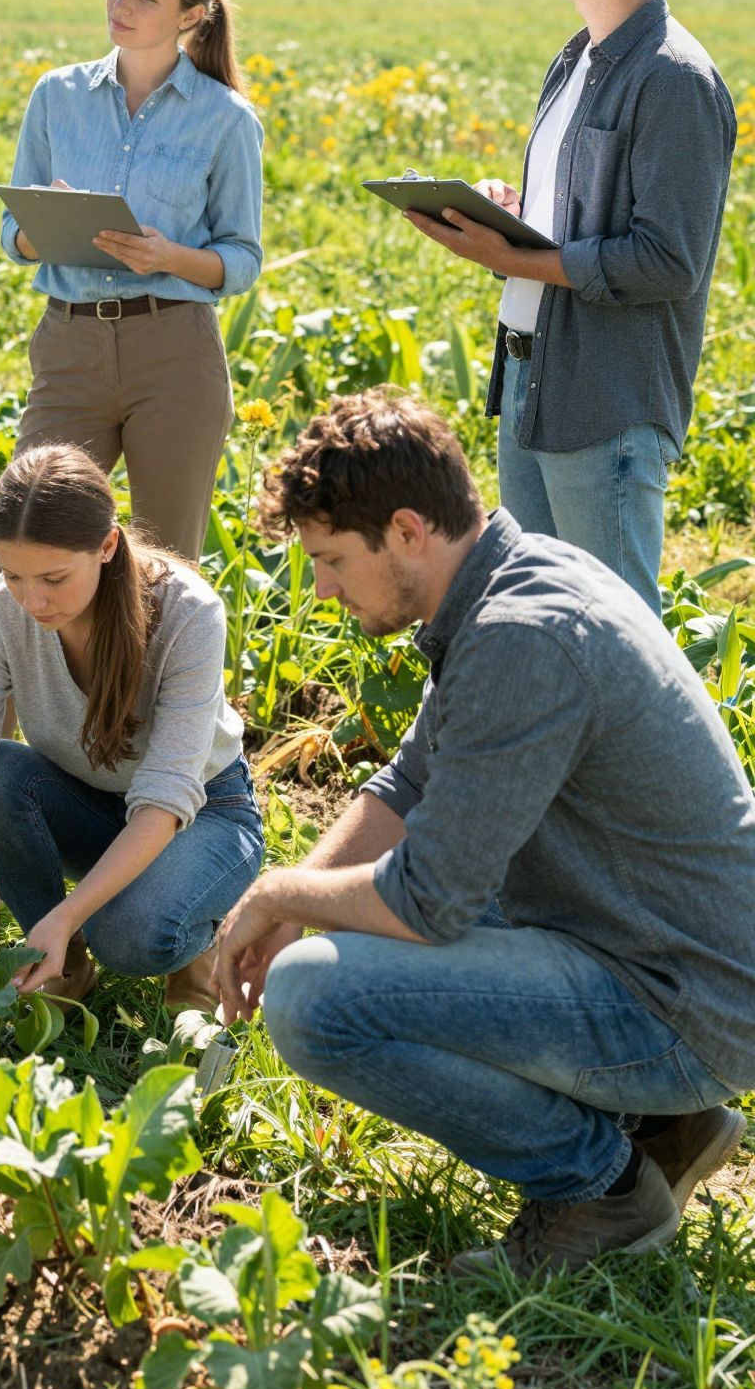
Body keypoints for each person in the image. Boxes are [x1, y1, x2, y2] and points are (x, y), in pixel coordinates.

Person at [214, 391, 753, 1278]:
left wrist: (279, 894)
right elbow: (410, 784)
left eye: (333, 560)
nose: (322, 588)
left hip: (680, 1001)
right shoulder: (509, 580)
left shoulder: (522, 636)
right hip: (661, 951)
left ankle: (601, 1188)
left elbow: (428, 901)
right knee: (354, 920)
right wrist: (299, 896)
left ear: (407, 530)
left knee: (315, 1000)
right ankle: (665, 1127)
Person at [405, 0, 736, 612]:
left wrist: (517, 254)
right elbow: (579, 222)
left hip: (607, 399)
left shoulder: (674, 79)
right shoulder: (575, 61)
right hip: (531, 382)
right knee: (546, 622)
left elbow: (667, 261)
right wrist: (509, 217)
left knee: (616, 634)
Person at [0, 442, 263, 1011]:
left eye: (54, 577)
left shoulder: (188, 613)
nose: (32, 599)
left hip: (202, 812)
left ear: (106, 546)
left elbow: (165, 796)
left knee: (128, 937)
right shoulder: (0, 608)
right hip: (88, 800)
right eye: (14, 575)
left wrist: (75, 907)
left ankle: (201, 938)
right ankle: (61, 959)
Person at [0, 0, 264, 561]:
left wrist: (166, 256)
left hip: (173, 352)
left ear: (190, 16)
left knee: (168, 565)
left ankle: (158, 666)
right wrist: (42, 230)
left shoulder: (226, 119)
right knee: (27, 539)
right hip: (69, 347)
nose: (122, 3)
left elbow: (242, 258)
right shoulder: (56, 95)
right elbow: (12, 235)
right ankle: (27, 665)